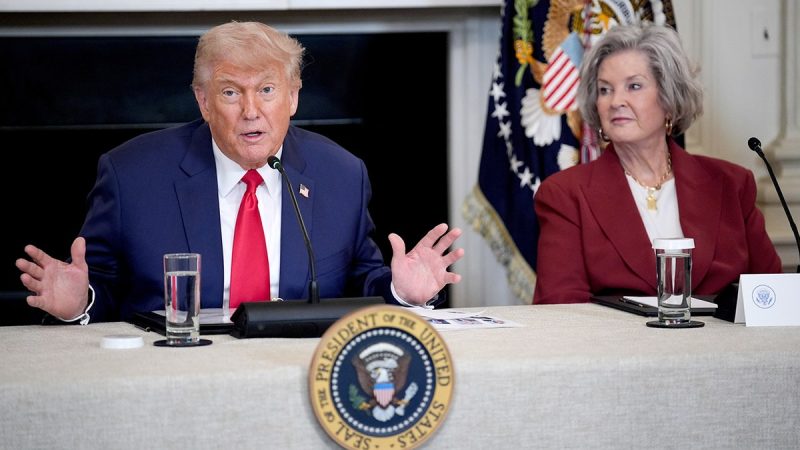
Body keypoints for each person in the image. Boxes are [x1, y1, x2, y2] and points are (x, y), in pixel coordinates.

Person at [15, 21, 464, 323]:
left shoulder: (340, 174)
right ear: (203, 101)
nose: (251, 111)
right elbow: (103, 285)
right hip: (174, 372)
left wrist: (403, 292)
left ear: (293, 97)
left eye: (267, 90)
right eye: (231, 92)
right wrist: (81, 301)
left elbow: (362, 281)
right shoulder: (132, 175)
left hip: (300, 374)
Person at [533, 23, 781, 304]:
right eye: (604, 90)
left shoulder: (731, 184)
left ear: (669, 97)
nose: (616, 101)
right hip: (614, 335)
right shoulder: (565, 194)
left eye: (634, 86)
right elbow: (561, 308)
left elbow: (772, 296)